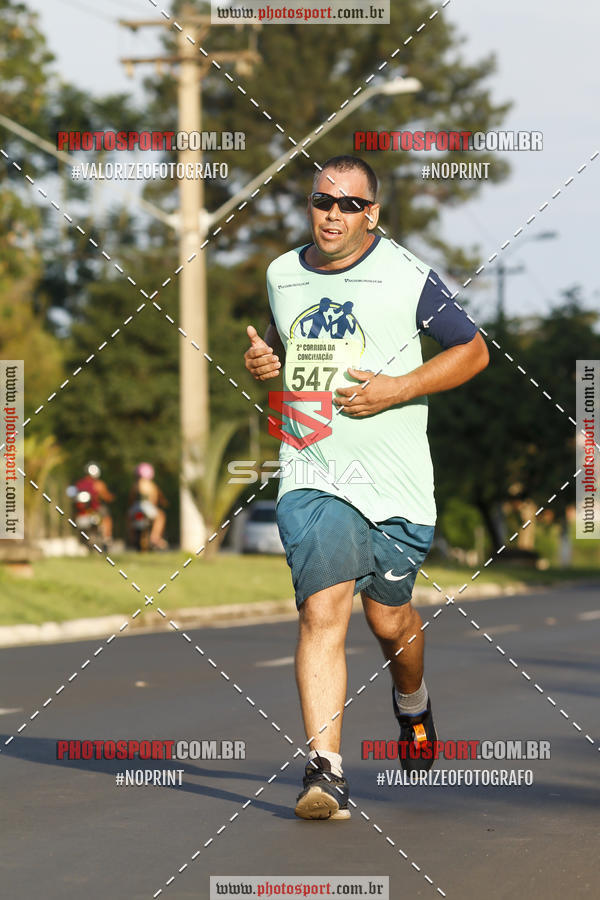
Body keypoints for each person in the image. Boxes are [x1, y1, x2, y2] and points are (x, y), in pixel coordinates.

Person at [244, 155, 489, 821]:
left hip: (397, 485)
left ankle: (412, 702)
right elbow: (282, 347)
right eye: (322, 200)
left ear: (371, 214)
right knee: (323, 610)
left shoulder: (406, 275)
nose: (332, 213)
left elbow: (473, 350)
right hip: (312, 472)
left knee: (389, 620)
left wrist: (397, 388)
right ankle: (325, 770)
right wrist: (264, 361)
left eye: (348, 204)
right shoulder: (282, 274)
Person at [128, 462, 168, 550]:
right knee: (161, 516)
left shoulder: (135, 484)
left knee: (129, 518)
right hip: (148, 508)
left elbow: (131, 498)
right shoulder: (152, 485)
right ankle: (155, 537)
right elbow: (154, 500)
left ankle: (132, 536)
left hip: (136, 507)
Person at [75, 462, 115, 547]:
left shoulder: (79, 484)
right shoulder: (98, 484)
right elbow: (106, 496)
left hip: (84, 511)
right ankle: (107, 538)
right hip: (95, 509)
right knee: (106, 518)